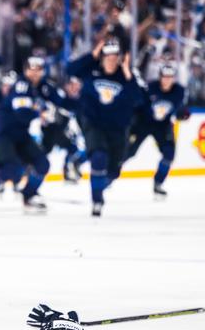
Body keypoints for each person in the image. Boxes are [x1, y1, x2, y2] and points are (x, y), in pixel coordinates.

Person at [68, 38, 143, 216]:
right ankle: (97, 200)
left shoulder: (127, 76)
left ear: (119, 58)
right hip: (94, 123)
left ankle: (100, 184)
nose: (110, 60)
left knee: (113, 171)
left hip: (117, 128)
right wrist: (92, 55)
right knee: (98, 157)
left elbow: (139, 99)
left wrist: (127, 72)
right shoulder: (90, 70)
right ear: (102, 57)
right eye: (107, 56)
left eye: (114, 56)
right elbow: (70, 70)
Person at [0, 56, 57, 212]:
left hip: (21, 133)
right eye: (31, 69)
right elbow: (22, 113)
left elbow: (62, 101)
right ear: (25, 70)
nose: (35, 73)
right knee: (9, 171)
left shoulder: (43, 86)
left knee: (42, 164)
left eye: (38, 69)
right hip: (3, 132)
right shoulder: (21, 85)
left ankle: (29, 195)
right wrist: (40, 113)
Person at [125, 62, 190, 198]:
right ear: (160, 77)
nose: (167, 80)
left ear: (173, 78)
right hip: (144, 123)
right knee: (129, 151)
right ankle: (110, 172)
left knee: (169, 154)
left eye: (170, 77)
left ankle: (158, 183)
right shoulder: (151, 88)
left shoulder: (179, 91)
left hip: (163, 125)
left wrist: (182, 114)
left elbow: (179, 109)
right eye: (164, 77)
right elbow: (138, 105)